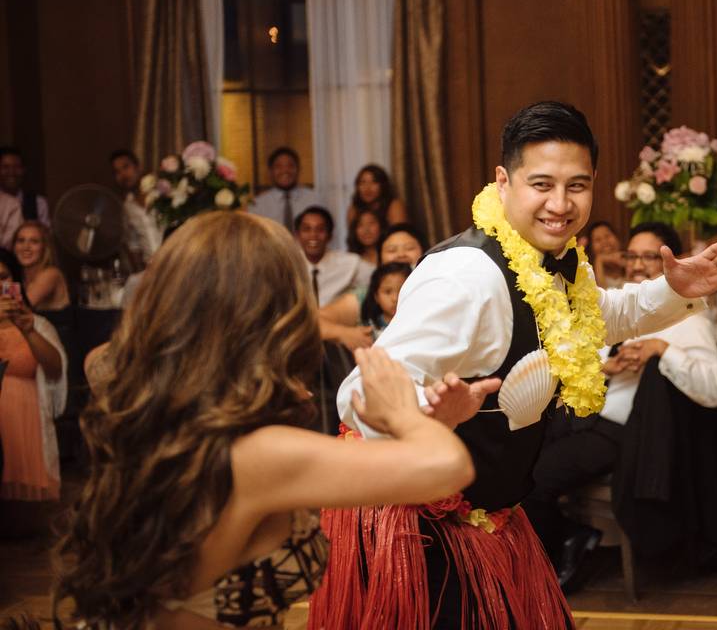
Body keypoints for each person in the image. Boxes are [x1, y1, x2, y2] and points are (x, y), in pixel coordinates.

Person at [308, 101, 717, 629]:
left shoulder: (556, 266)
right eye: (541, 184)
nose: (560, 204)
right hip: (418, 531)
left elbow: (607, 315)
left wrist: (674, 289)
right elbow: (357, 394)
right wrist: (425, 417)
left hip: (489, 518)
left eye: (577, 186)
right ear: (503, 181)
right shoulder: (467, 280)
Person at [50, 211, 487, 629]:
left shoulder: (164, 417)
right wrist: (400, 411)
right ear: (272, 318)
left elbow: (102, 360)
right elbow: (447, 467)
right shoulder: (255, 454)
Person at [524, 221, 717, 590]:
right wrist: (605, 366)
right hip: (579, 416)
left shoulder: (687, 315)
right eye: (632, 255)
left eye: (649, 257)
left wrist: (662, 351)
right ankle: (566, 541)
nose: (637, 265)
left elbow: (716, 388)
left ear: (673, 261)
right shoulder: (616, 303)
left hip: (625, 432)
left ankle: (555, 558)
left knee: (534, 479)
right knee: (517, 461)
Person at [0, 248, 65, 509]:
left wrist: (28, 331)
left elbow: (56, 370)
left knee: (23, 523)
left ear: (15, 282)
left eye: (3, 277)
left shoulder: (37, 324)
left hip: (26, 425)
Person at [317, 223, 428, 350]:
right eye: (391, 250)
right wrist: (345, 333)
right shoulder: (364, 295)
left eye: (409, 248)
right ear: (380, 258)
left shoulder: (438, 287)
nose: (400, 254)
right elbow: (312, 321)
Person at [295, 206, 373, 307]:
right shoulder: (288, 265)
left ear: (330, 235)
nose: (313, 235)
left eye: (320, 229)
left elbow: (380, 279)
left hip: (336, 320)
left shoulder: (350, 263)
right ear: (297, 235)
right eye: (306, 229)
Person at [110, 148, 163, 270]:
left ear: (137, 167)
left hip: (175, 262)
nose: (123, 175)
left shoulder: (160, 193)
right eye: (117, 172)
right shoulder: (127, 207)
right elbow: (133, 245)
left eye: (126, 167)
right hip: (150, 271)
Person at [251, 147, 323, 232]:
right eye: (278, 166)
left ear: (299, 169)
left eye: (290, 166)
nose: (285, 170)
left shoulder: (314, 200)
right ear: (270, 171)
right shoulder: (258, 205)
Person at [13, 222, 69, 311]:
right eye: (21, 240)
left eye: (34, 241)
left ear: (45, 247)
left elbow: (20, 309)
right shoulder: (17, 277)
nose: (26, 247)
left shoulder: (51, 274)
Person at [0, 147, 50, 227]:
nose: (12, 172)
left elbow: (45, 236)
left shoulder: (38, 203)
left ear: (23, 170)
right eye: (6, 167)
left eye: (17, 167)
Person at [360, 262, 411, 340]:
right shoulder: (370, 328)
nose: (395, 298)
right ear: (376, 297)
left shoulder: (416, 322)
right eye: (387, 292)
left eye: (401, 290)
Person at [582, 220, 625, 288]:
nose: (604, 242)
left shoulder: (633, 263)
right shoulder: (588, 276)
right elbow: (603, 295)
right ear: (591, 248)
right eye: (598, 240)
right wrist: (599, 260)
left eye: (607, 236)